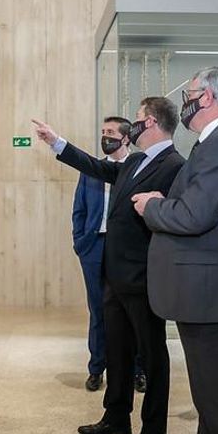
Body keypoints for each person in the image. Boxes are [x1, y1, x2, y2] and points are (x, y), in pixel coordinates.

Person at [33, 96, 184, 434]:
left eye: (138, 119)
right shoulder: (134, 160)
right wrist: (57, 142)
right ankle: (116, 416)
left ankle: (155, 430)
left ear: (153, 123)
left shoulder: (175, 164)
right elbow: (98, 168)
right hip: (114, 275)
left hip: (145, 277)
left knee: (151, 355)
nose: (132, 125)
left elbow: (175, 218)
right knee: (117, 348)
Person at [132, 66, 218, 434]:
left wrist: (153, 205)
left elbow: (193, 216)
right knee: (214, 402)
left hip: (216, 298)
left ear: (206, 97)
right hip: (212, 297)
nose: (184, 101)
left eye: (189, 93)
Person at [71, 117, 145, 393]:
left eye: (111, 132)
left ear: (126, 138)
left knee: (132, 310)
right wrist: (80, 241)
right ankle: (97, 367)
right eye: (103, 132)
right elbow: (79, 209)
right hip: (94, 247)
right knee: (98, 309)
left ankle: (138, 369)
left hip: (125, 248)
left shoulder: (138, 168)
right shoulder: (90, 170)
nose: (105, 137)